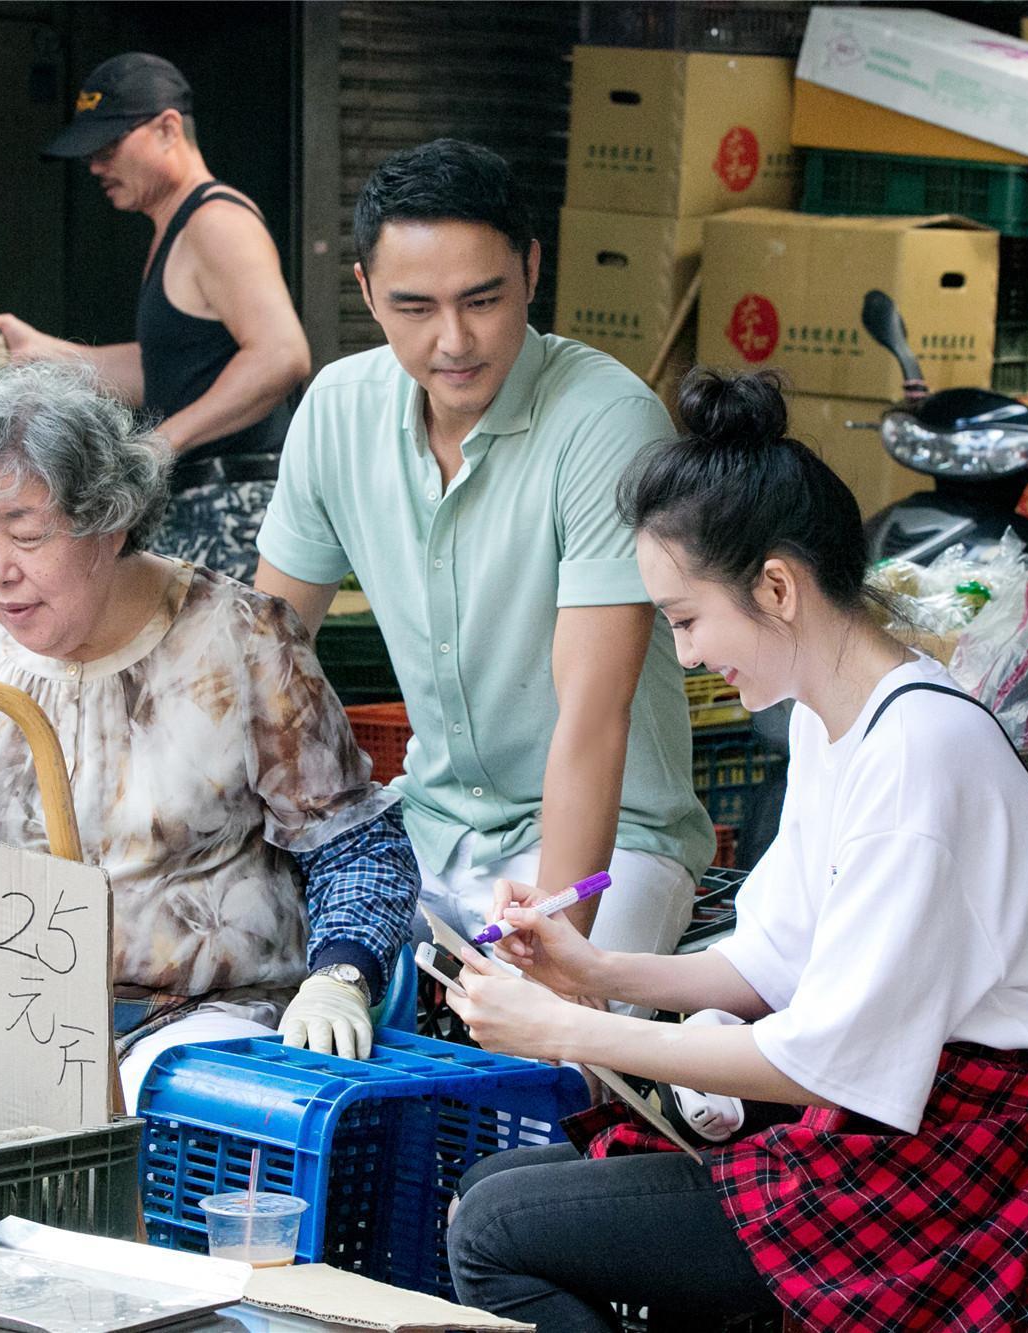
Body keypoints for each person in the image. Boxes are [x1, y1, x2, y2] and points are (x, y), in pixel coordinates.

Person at [438, 371, 1028, 1332]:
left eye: (686, 620)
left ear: (776, 585)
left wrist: (563, 1029)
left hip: (989, 1160)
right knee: (502, 1188)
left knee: (493, 1225)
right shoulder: (837, 718)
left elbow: (824, 1059)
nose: (685, 656)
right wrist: (589, 965)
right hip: (914, 1117)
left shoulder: (917, 752)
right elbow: (774, 958)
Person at [0, 362, 416, 1109]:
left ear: (109, 522)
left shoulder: (241, 640)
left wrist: (342, 974)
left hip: (191, 1029)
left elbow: (355, 845)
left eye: (27, 534)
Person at [254, 139, 714, 961]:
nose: (454, 340)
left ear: (533, 272)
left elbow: (592, 715)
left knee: (540, 1060)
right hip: (425, 825)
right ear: (365, 291)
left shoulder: (607, 419)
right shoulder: (336, 410)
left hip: (611, 844)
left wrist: (560, 947)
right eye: (415, 307)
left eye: (483, 299)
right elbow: (266, 657)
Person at [0, 53, 309, 584]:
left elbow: (281, 355)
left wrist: (161, 442)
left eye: (108, 148)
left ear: (168, 128)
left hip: (237, 505)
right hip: (198, 503)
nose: (95, 166)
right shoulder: (172, 228)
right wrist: (43, 354)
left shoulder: (215, 221)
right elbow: (169, 370)